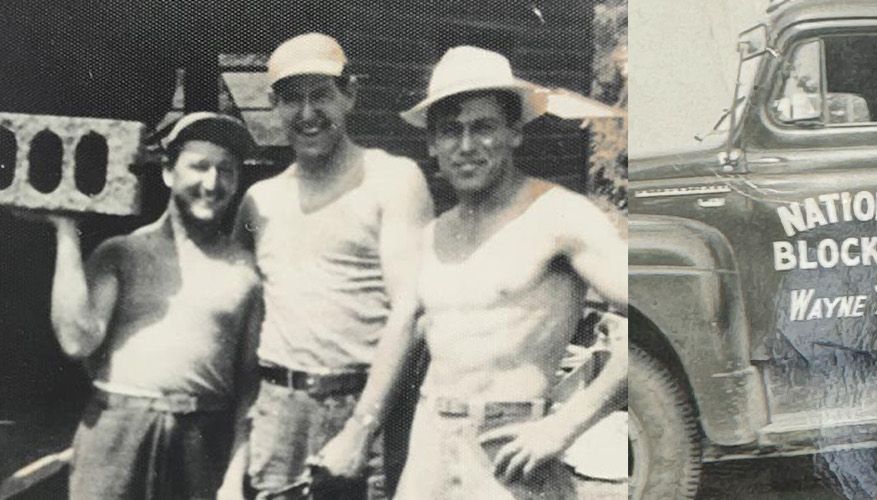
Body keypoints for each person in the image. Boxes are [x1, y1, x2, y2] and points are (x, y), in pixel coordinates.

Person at [344, 45, 627, 498]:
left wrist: (566, 424)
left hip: (512, 451)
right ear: (433, 143)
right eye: (451, 131)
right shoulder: (433, 235)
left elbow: (658, 314)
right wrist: (359, 429)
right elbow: (400, 334)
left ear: (515, 132)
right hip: (430, 446)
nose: (467, 146)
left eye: (483, 127)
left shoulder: (559, 217)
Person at [232, 32, 436, 499]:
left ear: (350, 94)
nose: (307, 114)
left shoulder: (392, 180)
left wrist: (362, 429)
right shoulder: (258, 202)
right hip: (277, 411)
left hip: (365, 405)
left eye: (321, 94)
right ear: (273, 104)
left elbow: (411, 310)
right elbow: (241, 323)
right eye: (291, 99)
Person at [29, 113, 259, 499]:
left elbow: (250, 388)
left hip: (202, 441)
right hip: (116, 433)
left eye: (226, 171)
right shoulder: (122, 253)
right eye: (199, 167)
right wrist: (66, 233)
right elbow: (76, 341)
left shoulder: (246, 273)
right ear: (168, 172)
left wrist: (236, 476)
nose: (212, 183)